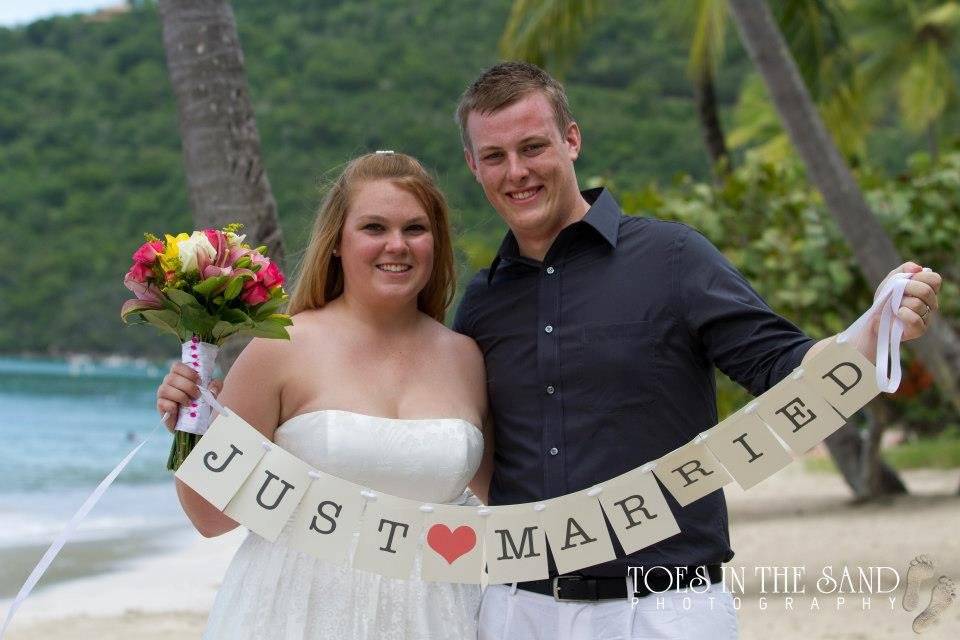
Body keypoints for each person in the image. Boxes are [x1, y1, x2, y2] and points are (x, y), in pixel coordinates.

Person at [451, 61, 942, 640]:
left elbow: (782, 367)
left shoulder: (674, 257)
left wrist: (875, 332)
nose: (517, 171)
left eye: (533, 147)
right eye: (495, 156)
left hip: (665, 610)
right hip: (519, 612)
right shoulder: (481, 302)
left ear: (572, 139)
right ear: (473, 166)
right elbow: (481, 452)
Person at [157, 152, 493, 639]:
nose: (396, 245)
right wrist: (190, 427)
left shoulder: (467, 359)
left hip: (436, 616)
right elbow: (210, 517)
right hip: (293, 612)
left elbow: (506, 500)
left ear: (436, 242)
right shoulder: (282, 347)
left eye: (415, 229)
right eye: (374, 227)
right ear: (337, 241)